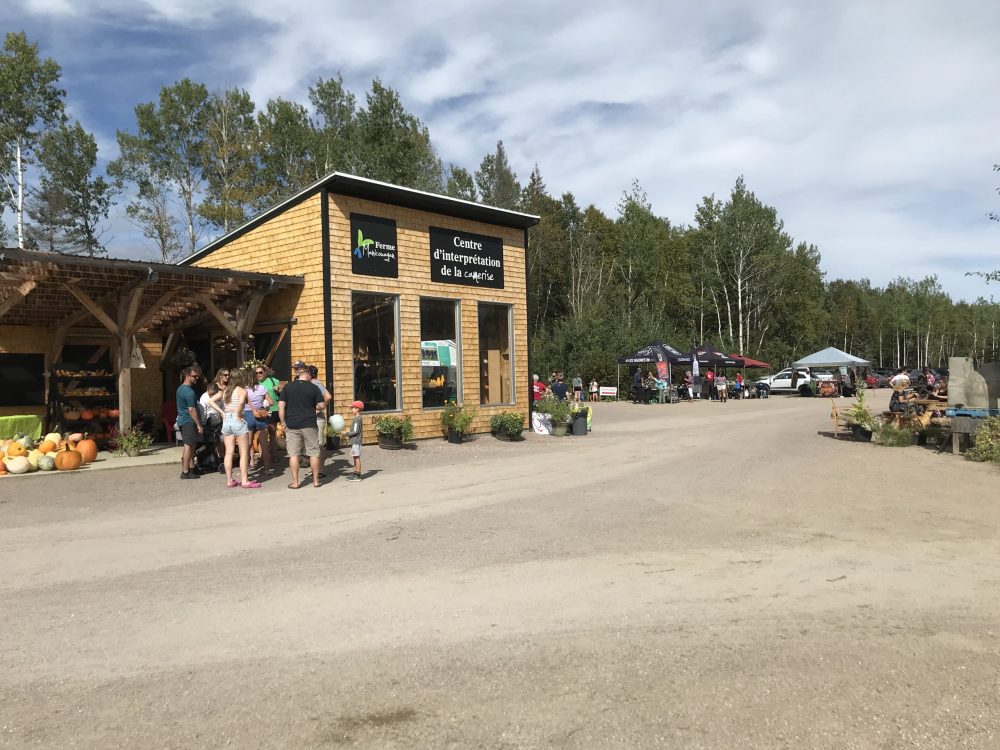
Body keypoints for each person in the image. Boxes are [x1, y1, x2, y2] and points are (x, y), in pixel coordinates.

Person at [279, 361, 325, 489]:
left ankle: (295, 482)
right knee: (314, 453)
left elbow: (281, 406)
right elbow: (322, 405)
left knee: (294, 454)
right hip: (309, 423)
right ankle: (316, 481)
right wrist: (314, 406)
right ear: (308, 375)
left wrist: (283, 422)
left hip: (292, 424)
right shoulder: (313, 387)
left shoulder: (288, 387)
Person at [219, 369, 259, 488]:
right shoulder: (242, 390)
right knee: (244, 452)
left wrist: (222, 412)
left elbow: (211, 401)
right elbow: (241, 403)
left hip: (226, 420)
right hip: (237, 420)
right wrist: (239, 414)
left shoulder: (225, 390)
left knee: (229, 452)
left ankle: (229, 480)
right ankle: (245, 480)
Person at [176, 365, 204, 479]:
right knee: (188, 446)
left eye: (197, 376)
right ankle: (185, 471)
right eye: (194, 376)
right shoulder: (189, 392)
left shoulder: (180, 389)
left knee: (191, 445)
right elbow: (191, 410)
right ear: (187, 376)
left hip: (184, 420)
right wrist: (198, 424)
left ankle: (191, 468)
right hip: (188, 421)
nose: (196, 378)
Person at [246, 366, 274, 475]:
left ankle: (250, 465)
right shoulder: (262, 388)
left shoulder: (245, 390)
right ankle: (267, 469)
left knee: (248, 444)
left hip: (248, 415)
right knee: (264, 444)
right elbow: (271, 402)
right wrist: (263, 404)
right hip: (261, 416)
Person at [309, 365, 333, 479]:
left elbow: (328, 396)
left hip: (318, 419)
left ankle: (321, 470)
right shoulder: (314, 383)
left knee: (318, 444)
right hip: (315, 418)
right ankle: (315, 469)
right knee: (315, 444)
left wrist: (318, 408)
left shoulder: (315, 383)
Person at [345, 400, 364, 482]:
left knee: (356, 458)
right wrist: (348, 405)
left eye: (353, 408)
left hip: (356, 442)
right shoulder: (358, 417)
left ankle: (358, 475)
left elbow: (355, 431)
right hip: (355, 442)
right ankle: (355, 472)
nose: (351, 410)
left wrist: (346, 433)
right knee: (354, 457)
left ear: (357, 409)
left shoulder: (357, 419)